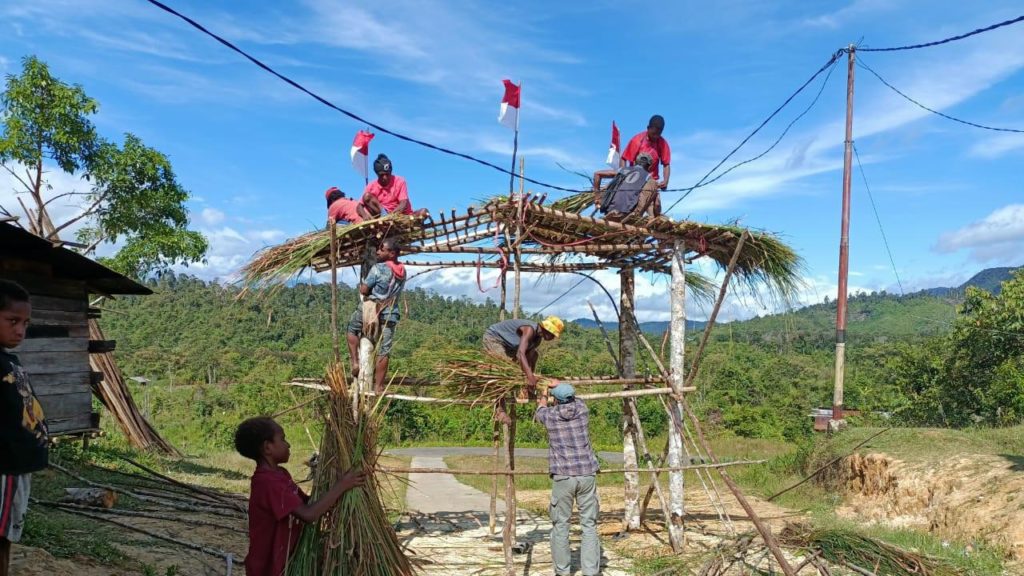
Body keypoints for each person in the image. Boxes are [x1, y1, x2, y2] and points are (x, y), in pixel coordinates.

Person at [235, 416, 365, 576]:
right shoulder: (268, 483)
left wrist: (329, 481)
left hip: (285, 561)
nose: (288, 444)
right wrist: (342, 485)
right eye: (282, 439)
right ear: (268, 447)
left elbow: (307, 503)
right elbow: (308, 514)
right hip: (268, 568)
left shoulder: (280, 474)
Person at [0, 280, 48, 576]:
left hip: (17, 467)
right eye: (12, 321)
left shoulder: (8, 360)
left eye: (25, 323)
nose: (20, 330)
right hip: (6, 466)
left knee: (6, 534)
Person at [535, 383, 601, 576]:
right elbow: (576, 399)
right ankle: (590, 571)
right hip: (586, 474)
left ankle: (562, 571)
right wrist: (561, 385)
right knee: (589, 525)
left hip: (563, 476)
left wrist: (543, 395)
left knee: (561, 525)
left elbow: (540, 409)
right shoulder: (582, 410)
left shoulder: (550, 416)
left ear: (555, 400)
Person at [346, 237, 406, 394]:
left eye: (382, 250)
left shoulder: (378, 268)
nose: (378, 252)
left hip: (371, 310)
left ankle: (354, 362)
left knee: (352, 329)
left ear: (392, 253)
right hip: (390, 313)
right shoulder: (402, 271)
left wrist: (363, 285)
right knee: (384, 350)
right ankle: (379, 387)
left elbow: (364, 290)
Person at [483, 316, 564, 423]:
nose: (553, 338)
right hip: (495, 338)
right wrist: (530, 376)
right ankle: (500, 409)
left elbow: (528, 356)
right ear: (547, 330)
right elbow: (520, 354)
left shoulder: (537, 339)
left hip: (510, 346)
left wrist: (529, 377)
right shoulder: (529, 329)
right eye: (553, 335)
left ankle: (527, 389)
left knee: (534, 354)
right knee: (503, 369)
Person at [592, 152, 661, 221]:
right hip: (626, 215)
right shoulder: (649, 178)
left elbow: (597, 174)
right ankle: (635, 216)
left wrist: (597, 198)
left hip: (609, 210)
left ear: (634, 162)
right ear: (650, 167)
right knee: (653, 186)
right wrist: (656, 217)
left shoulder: (623, 170)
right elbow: (656, 204)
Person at [361, 154, 428, 219]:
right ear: (376, 174)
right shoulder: (371, 186)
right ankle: (384, 215)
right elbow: (359, 206)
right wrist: (364, 215)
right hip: (383, 216)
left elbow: (403, 203)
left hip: (402, 216)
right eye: (381, 175)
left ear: (391, 171)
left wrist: (391, 216)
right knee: (367, 196)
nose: (385, 177)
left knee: (424, 212)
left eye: (387, 174)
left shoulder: (400, 181)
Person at [621, 114, 671, 190]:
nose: (656, 137)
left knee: (655, 201)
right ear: (648, 128)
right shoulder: (637, 140)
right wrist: (624, 176)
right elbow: (623, 159)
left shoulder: (663, 143)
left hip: (652, 182)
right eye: (653, 134)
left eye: (658, 134)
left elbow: (666, 164)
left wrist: (666, 181)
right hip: (634, 179)